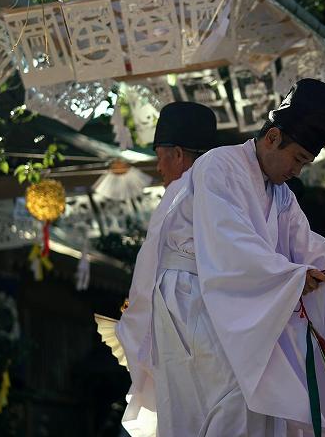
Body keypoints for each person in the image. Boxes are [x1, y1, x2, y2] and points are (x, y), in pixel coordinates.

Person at [122, 78, 325, 436]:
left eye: (306, 162)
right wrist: (290, 276)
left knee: (258, 405)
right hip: (193, 305)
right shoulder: (218, 165)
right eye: (297, 158)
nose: (297, 170)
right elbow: (229, 243)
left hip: (240, 304)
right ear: (272, 137)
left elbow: (310, 250)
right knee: (230, 401)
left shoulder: (281, 193)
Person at [105, 101, 217, 436]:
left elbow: (147, 278)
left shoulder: (177, 195)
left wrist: (132, 324)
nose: (158, 167)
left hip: (180, 321)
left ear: (178, 155)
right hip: (225, 326)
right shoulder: (232, 192)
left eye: (160, 155)